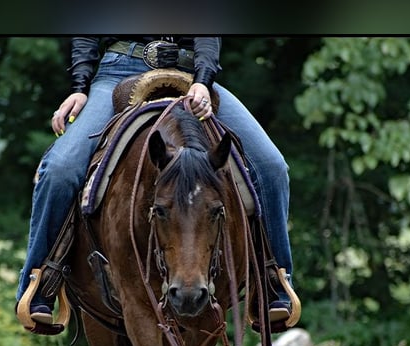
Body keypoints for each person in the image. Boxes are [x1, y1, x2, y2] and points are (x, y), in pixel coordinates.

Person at [17, 37, 295, 326]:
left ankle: (273, 281)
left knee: (271, 167)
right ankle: (40, 283)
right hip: (117, 72)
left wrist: (203, 80)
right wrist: (79, 87)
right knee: (60, 169)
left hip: (191, 74)